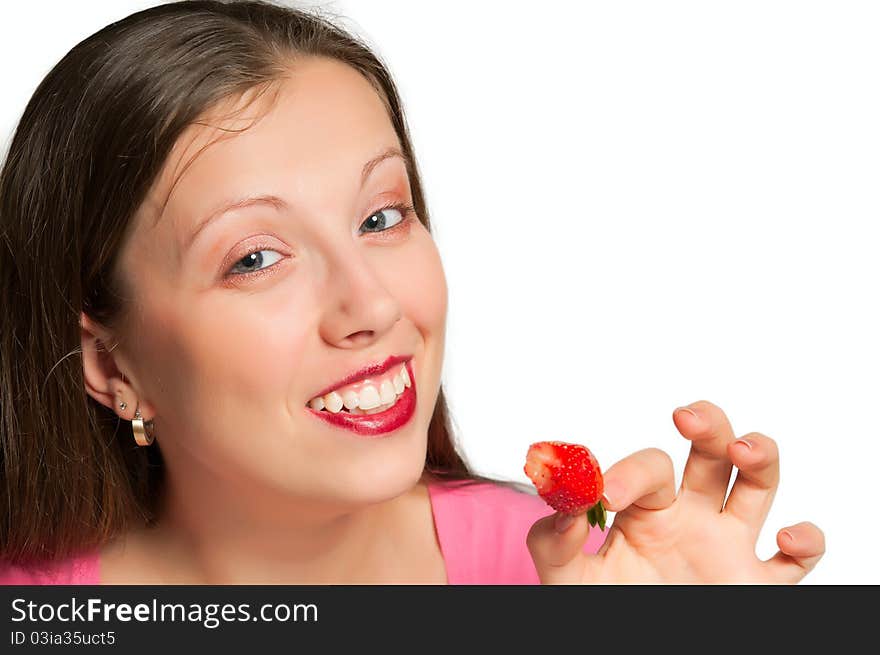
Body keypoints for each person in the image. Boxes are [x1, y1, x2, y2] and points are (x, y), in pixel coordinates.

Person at [0, 0, 823, 585]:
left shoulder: (568, 575)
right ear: (111, 365)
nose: (373, 306)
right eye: (255, 258)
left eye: (383, 215)